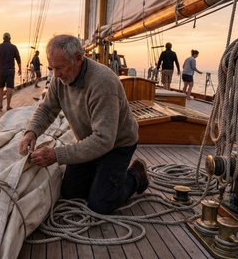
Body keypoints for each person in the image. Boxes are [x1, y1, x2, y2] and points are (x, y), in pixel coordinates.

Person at [18, 34, 149, 215]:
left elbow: (104, 140)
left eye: (59, 67)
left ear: (78, 58)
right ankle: (102, 175)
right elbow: (47, 109)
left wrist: (57, 155)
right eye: (51, 68)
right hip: (89, 141)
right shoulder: (59, 80)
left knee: (100, 203)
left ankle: (136, 175)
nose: (55, 74)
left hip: (117, 145)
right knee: (71, 193)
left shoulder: (103, 83)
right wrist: (31, 132)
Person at [0, 32, 22, 111]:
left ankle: (0, 103)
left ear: (3, 38)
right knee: (9, 88)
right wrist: (20, 69)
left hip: (1, 70)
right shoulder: (13, 47)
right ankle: (8, 105)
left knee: (0, 87)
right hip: (10, 70)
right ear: (10, 38)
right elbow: (18, 59)